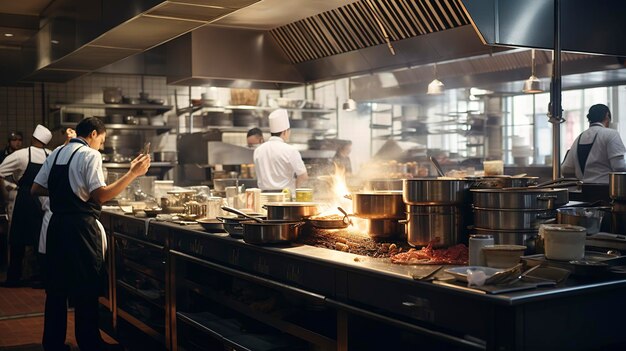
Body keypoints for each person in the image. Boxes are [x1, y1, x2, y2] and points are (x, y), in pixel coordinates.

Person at [32, 118, 150, 351]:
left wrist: (66, 192)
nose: (101, 146)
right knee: (86, 287)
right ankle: (90, 343)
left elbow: (36, 188)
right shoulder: (90, 155)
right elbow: (101, 196)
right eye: (102, 141)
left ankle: (52, 344)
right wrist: (132, 174)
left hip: (57, 228)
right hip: (81, 230)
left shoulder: (56, 152)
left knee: (56, 289)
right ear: (93, 134)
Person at [0, 125, 52, 287]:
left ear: (32, 138)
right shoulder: (51, 155)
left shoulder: (21, 155)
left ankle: (14, 278)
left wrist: (10, 186)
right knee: (41, 240)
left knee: (18, 240)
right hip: (44, 200)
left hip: (24, 199)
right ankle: (43, 277)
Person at [561, 104, 626, 184]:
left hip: (584, 191)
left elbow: (566, 169)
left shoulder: (579, 138)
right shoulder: (611, 134)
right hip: (606, 191)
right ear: (607, 115)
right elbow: (619, 167)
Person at [38, 128, 76, 260]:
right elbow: (36, 189)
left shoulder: (56, 154)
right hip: (53, 213)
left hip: (62, 218)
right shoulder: (56, 154)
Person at [253, 109, 308, 194]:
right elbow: (303, 176)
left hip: (263, 197)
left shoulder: (258, 150)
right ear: (285, 132)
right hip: (284, 197)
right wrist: (296, 190)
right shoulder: (290, 150)